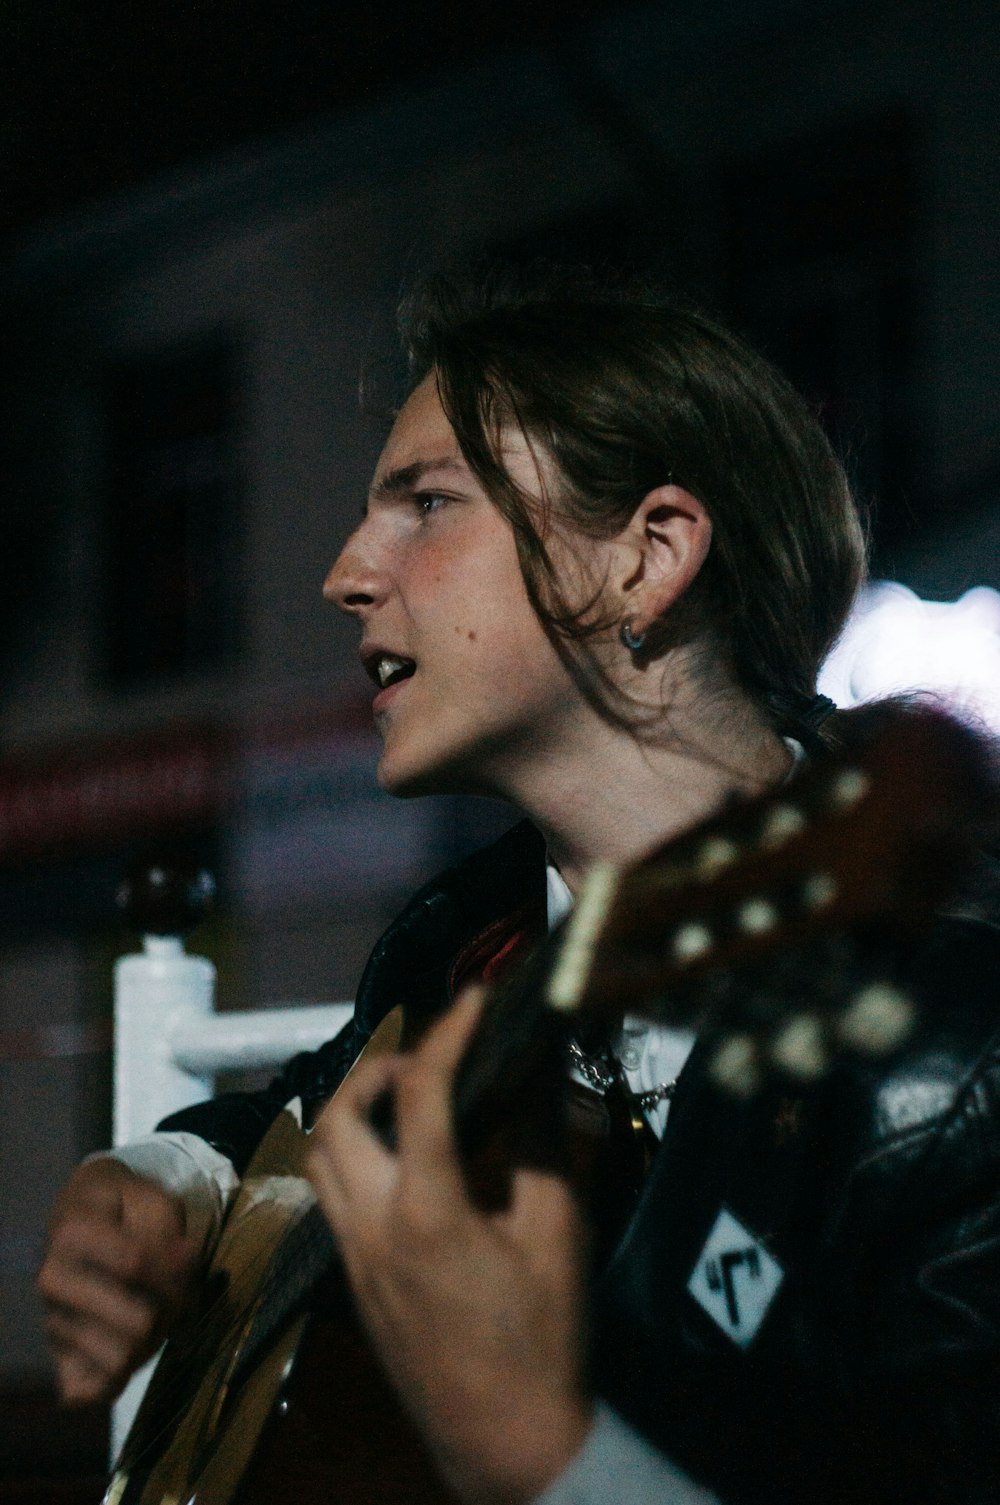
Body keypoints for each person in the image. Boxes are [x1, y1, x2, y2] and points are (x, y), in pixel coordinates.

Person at [37, 265, 1000, 1504]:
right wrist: (165, 1183)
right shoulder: (466, 945)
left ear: (646, 557)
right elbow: (306, 1109)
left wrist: (539, 1452)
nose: (342, 572)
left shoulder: (950, 1067)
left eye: (427, 502)